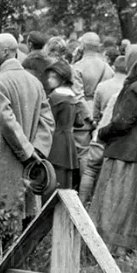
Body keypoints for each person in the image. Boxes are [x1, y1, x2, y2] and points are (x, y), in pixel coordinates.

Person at [89, 44, 137, 254]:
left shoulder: (135, 88)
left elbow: (122, 123)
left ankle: (112, 248)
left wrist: (102, 133)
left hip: (126, 152)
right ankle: (135, 246)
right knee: (136, 205)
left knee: (117, 202)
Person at [0, 33, 55, 225]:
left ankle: (4, 252)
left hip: (6, 153)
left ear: (6, 52)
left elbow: (5, 120)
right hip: (30, 156)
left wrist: (26, 151)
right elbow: (48, 120)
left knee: (3, 207)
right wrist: (38, 150)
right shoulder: (35, 81)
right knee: (26, 207)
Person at [79, 55, 128, 203]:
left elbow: (95, 114)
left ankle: (82, 202)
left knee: (90, 170)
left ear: (114, 68)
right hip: (120, 137)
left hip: (101, 132)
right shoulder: (129, 89)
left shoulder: (103, 86)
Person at [72, 32, 115, 160]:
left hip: (83, 116)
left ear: (82, 46)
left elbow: (77, 96)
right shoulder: (107, 68)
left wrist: (89, 117)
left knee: (83, 153)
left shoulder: (77, 67)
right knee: (99, 152)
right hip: (102, 114)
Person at [45, 61, 85, 189]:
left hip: (55, 141)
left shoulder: (54, 97)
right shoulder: (72, 96)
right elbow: (79, 122)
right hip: (68, 140)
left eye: (53, 77)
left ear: (62, 79)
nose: (49, 80)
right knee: (65, 183)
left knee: (51, 182)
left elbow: (47, 120)